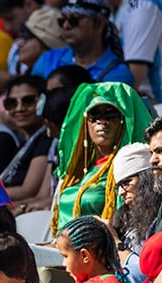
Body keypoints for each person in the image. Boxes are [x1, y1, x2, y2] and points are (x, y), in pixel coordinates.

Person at [52, 83, 153, 233]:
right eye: (95, 115)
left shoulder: (128, 173)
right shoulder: (75, 173)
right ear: (86, 123)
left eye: (110, 115)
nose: (102, 121)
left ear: (123, 122)